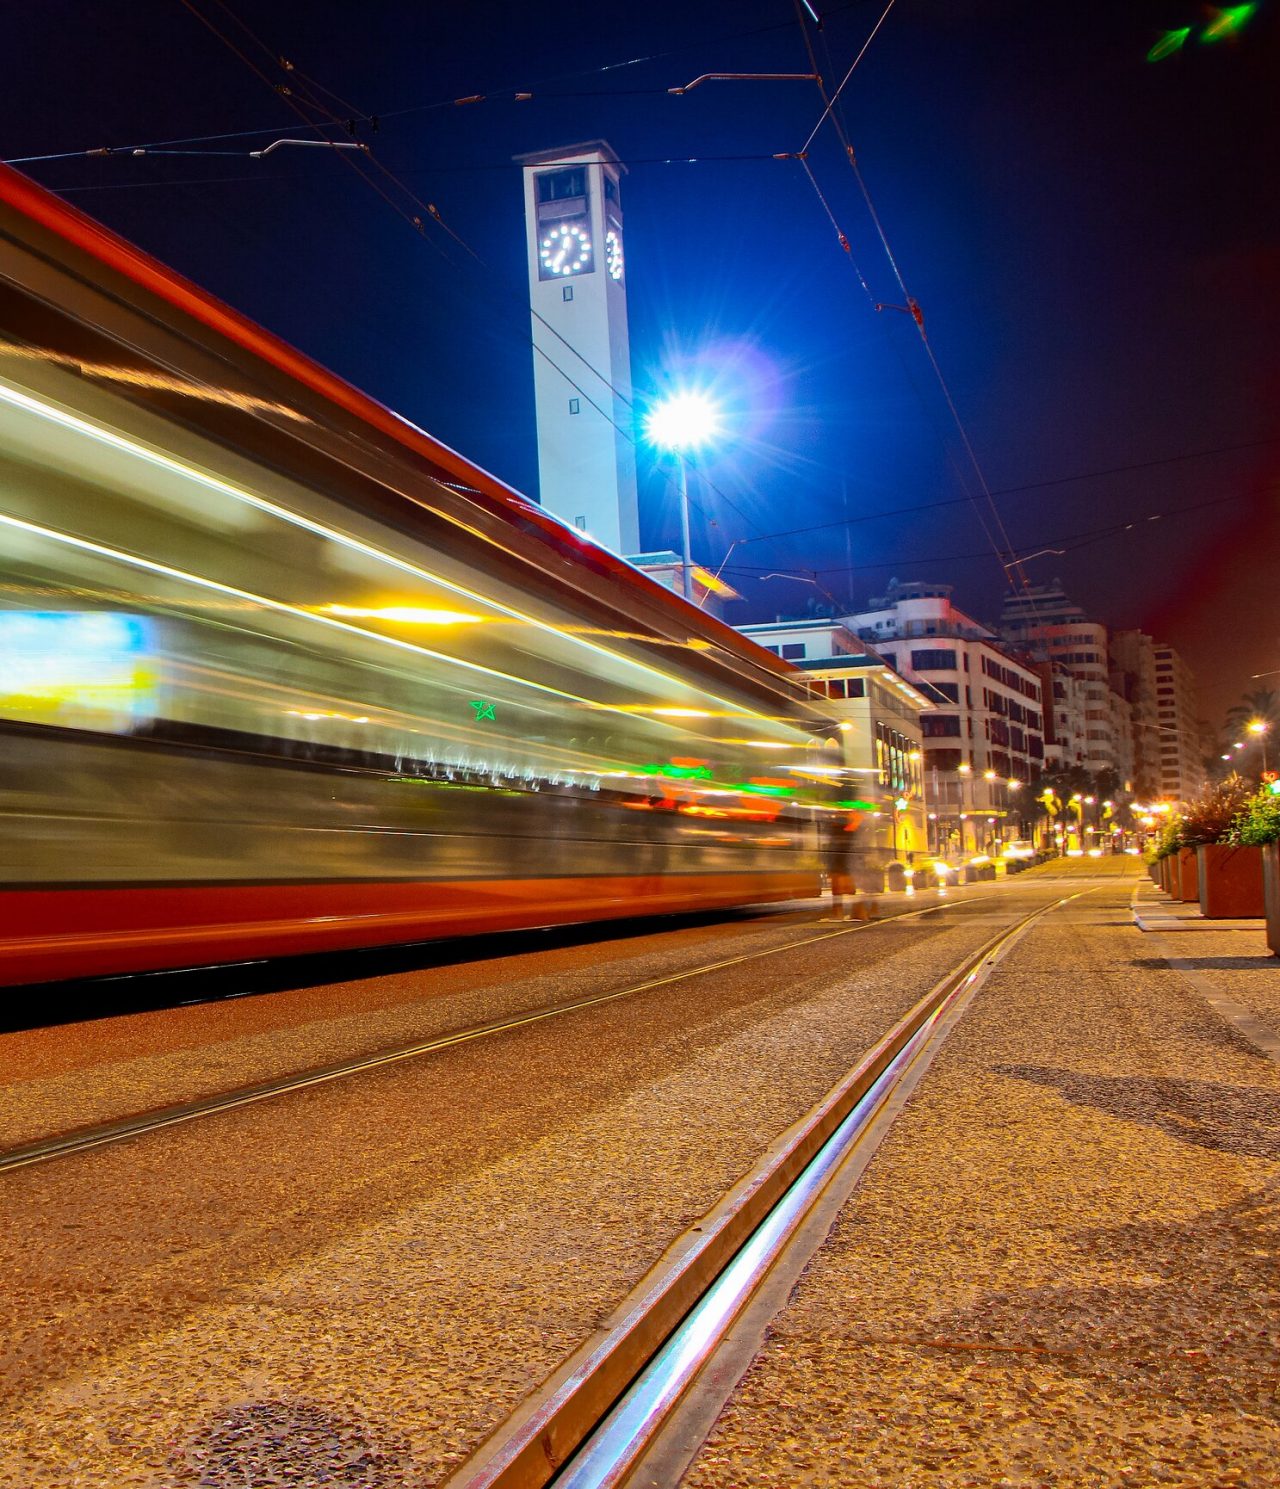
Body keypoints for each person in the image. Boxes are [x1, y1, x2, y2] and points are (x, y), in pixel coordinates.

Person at [821, 808, 863, 920]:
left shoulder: (833, 831)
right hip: (846, 864)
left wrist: (828, 865)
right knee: (849, 890)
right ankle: (855, 913)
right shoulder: (850, 831)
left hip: (837, 864)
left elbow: (830, 848)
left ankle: (838, 913)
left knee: (837, 892)